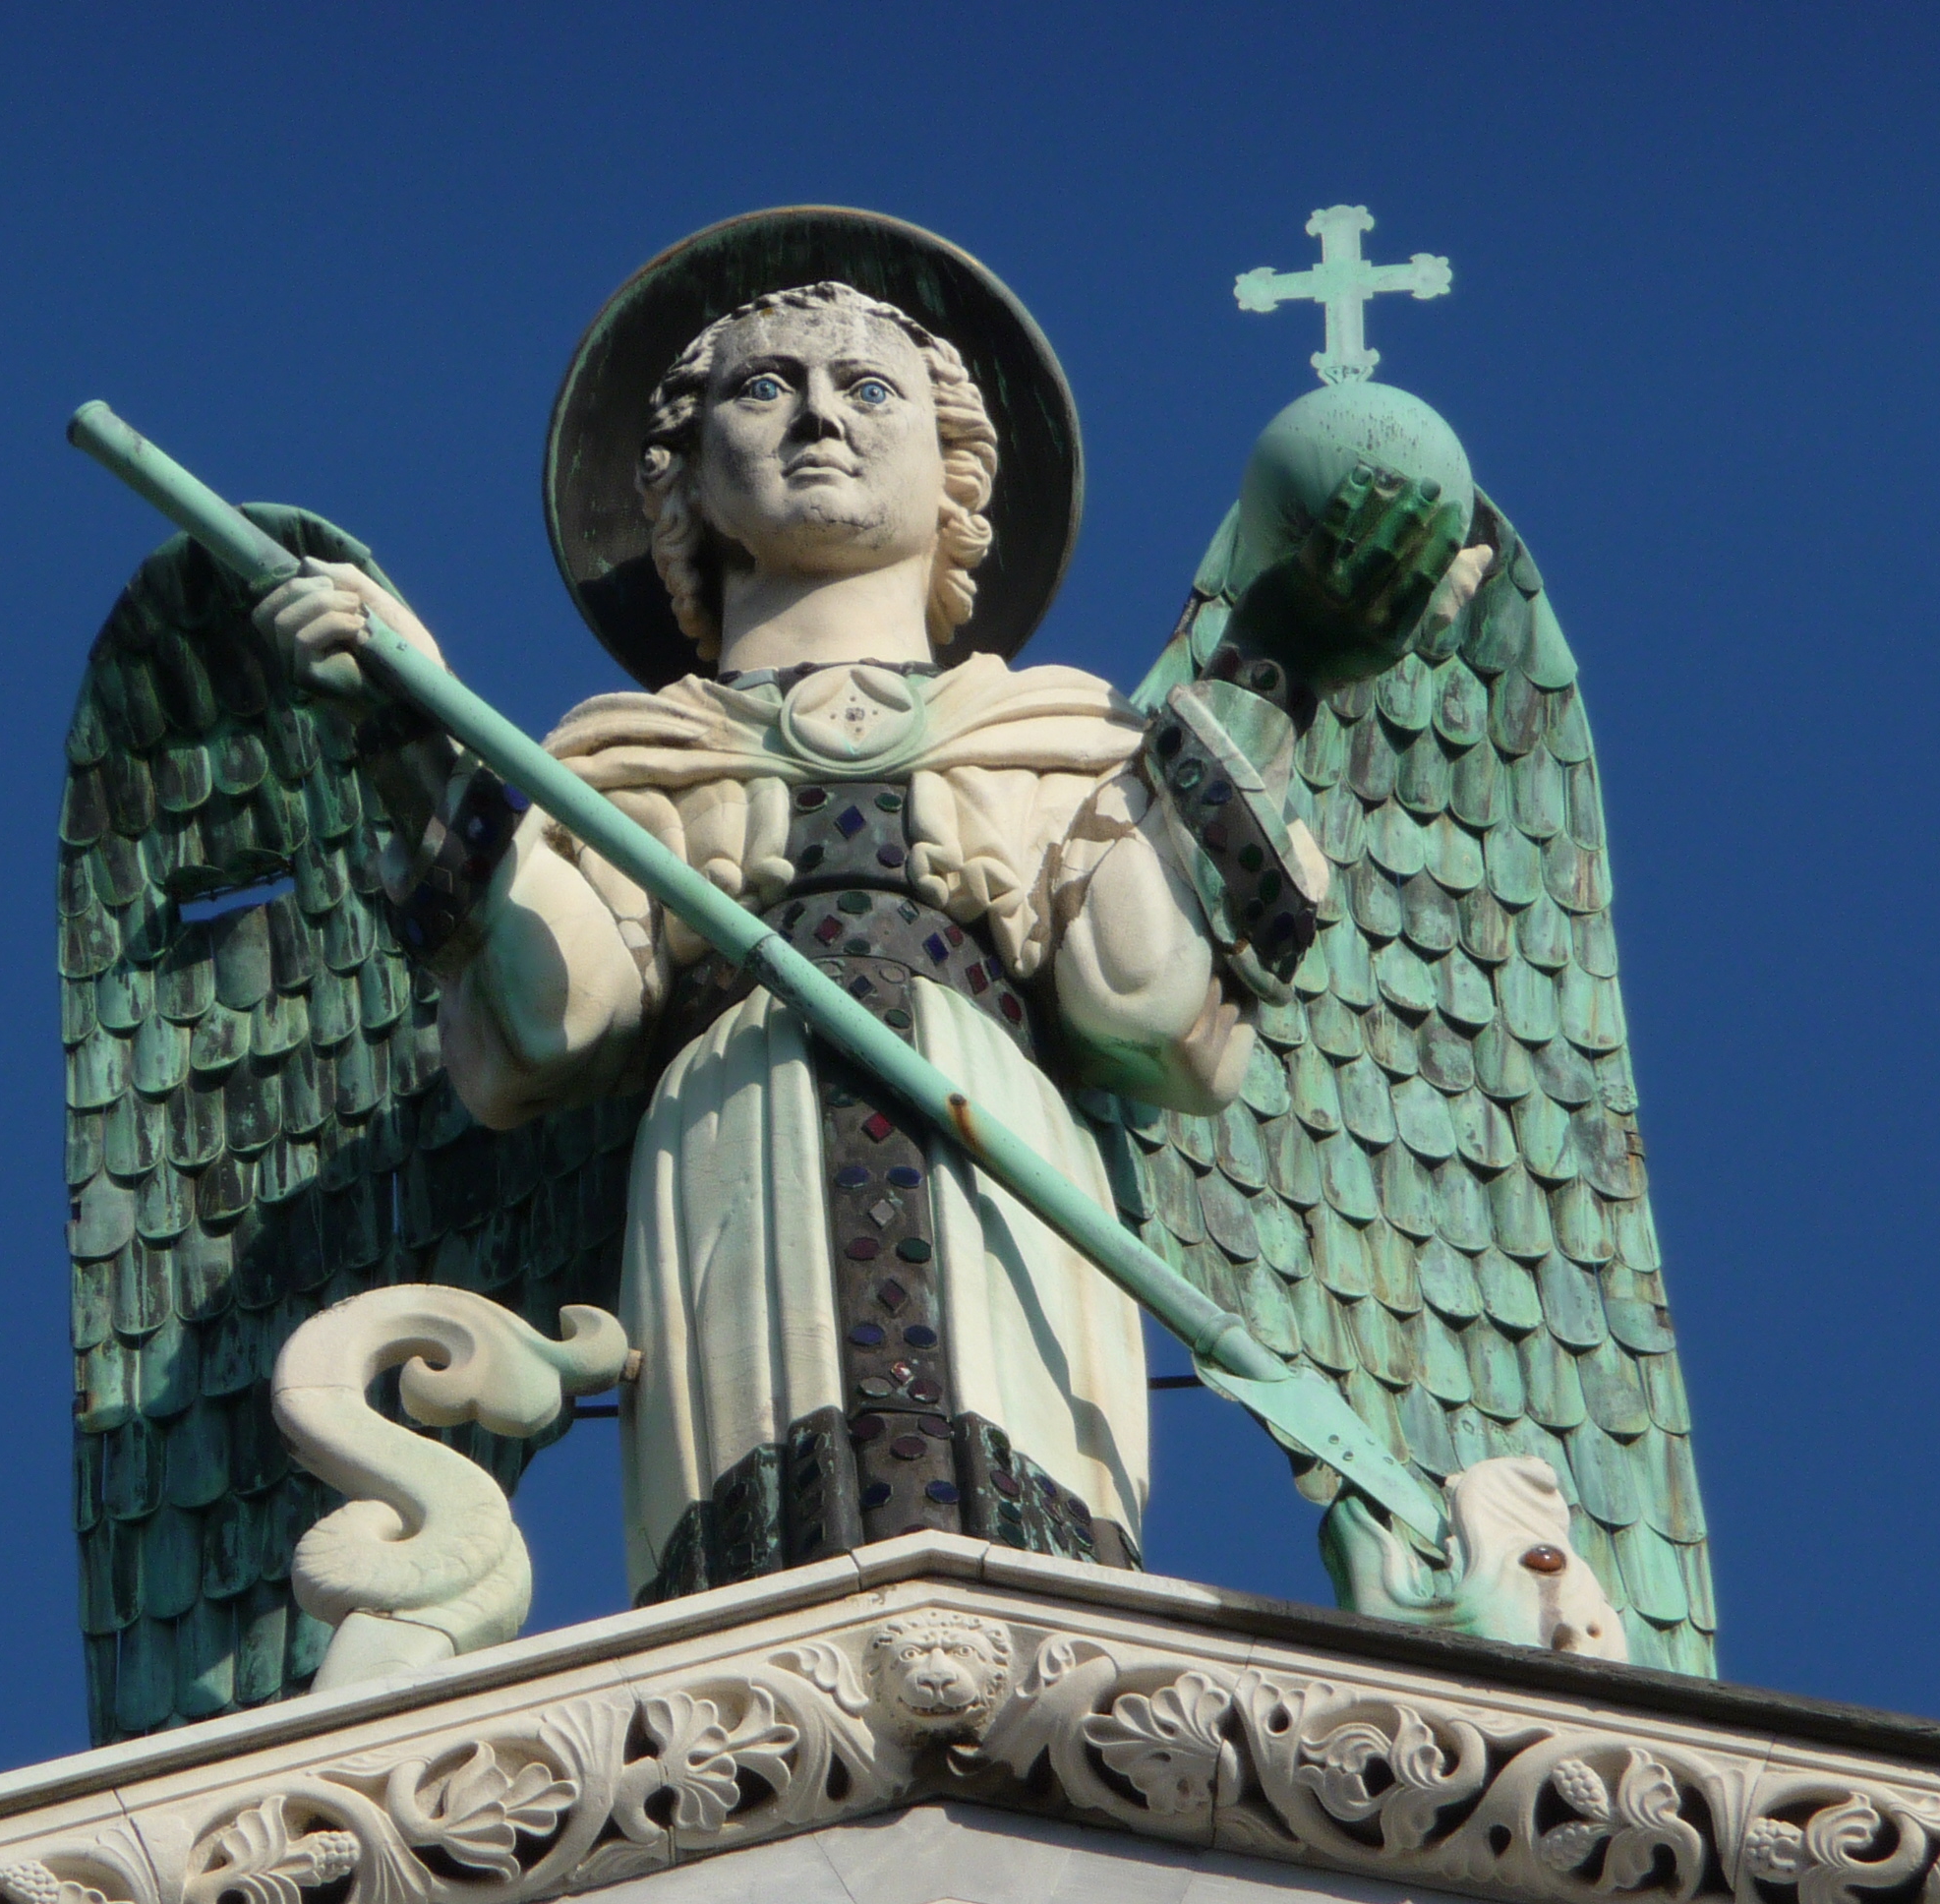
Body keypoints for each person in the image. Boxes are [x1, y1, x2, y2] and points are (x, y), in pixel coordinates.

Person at [267, 277, 1335, 1601]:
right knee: (759, 1552)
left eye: (869, 388)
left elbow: (1148, 1015)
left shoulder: (1070, 738)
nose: (819, 415)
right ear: (684, 477)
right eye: (764, 388)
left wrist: (1274, 674)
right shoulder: (620, 760)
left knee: (1027, 1549)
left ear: (955, 475)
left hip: (1001, 1156)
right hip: (731, 1139)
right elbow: (556, 1024)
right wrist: (414, 734)